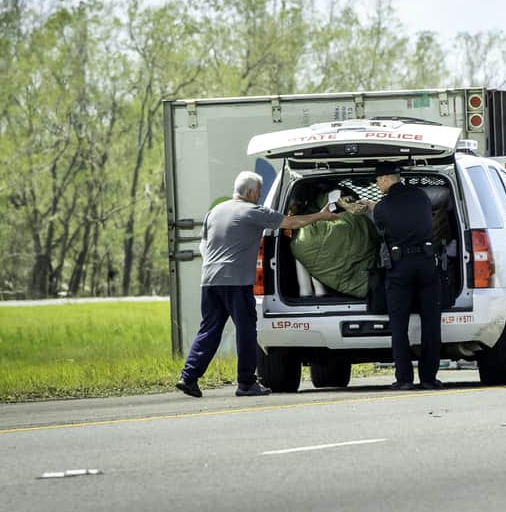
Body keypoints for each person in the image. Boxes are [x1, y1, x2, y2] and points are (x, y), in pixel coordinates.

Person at [176, 171, 333, 398]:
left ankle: (188, 377)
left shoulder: (214, 212)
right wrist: (320, 216)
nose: (259, 196)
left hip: (209, 280)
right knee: (247, 330)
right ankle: (247, 382)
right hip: (236, 282)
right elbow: (290, 222)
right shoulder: (253, 212)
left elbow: (203, 246)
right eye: (258, 192)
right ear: (250, 192)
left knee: (209, 329)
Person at [372, 162, 444, 390]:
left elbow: (380, 226)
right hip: (426, 263)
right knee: (431, 323)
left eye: (377, 181)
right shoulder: (421, 197)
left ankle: (404, 379)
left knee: (399, 324)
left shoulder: (382, 207)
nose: (377, 185)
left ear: (385, 179)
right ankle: (429, 378)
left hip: (400, 266)